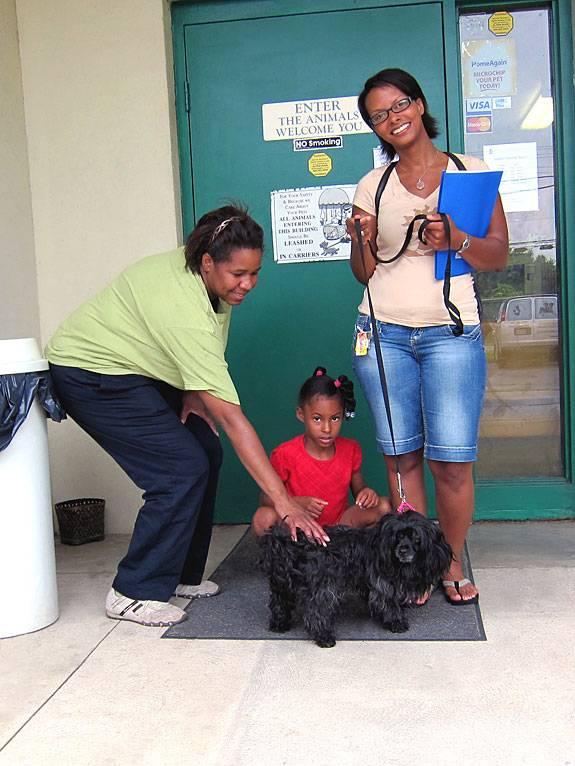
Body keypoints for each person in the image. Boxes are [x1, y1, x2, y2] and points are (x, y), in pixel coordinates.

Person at [46, 204, 329, 628]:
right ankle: (133, 591)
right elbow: (234, 421)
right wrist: (284, 503)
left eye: (255, 273)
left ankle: (179, 575)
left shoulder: (213, 284)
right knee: (180, 468)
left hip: (137, 366)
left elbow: (208, 351)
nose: (248, 284)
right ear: (207, 262)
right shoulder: (182, 307)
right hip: (90, 372)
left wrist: (195, 392)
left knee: (205, 450)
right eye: (239, 275)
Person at [345, 68, 509, 605]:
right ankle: (411, 567)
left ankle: (451, 560)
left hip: (451, 332)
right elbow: (364, 272)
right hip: (383, 333)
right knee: (401, 458)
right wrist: (361, 238)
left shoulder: (469, 173)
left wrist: (456, 237)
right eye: (379, 116)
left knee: (452, 461)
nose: (392, 119)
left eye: (399, 106)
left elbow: (497, 255)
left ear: (418, 104)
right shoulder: (374, 185)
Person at [252, 367, 391, 536]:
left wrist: (366, 493)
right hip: (299, 525)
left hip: (340, 525)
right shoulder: (284, 454)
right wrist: (296, 503)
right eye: (317, 419)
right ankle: (287, 558)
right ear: (301, 414)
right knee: (263, 517)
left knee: (383, 506)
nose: (327, 428)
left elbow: (359, 487)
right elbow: (266, 499)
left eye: (335, 418)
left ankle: (352, 554)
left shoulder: (350, 449)